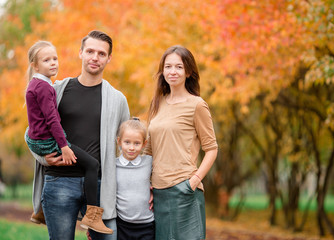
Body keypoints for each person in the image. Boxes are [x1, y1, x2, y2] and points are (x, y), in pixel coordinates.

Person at [26, 30, 130, 240]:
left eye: (101, 53)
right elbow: (32, 131)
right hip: (59, 183)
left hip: (100, 186)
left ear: (109, 58)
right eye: (90, 51)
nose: (95, 57)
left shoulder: (117, 100)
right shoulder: (57, 90)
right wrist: (43, 158)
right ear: (80, 53)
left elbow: (127, 147)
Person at [145, 45, 218, 240]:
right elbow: (149, 150)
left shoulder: (197, 105)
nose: (172, 72)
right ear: (162, 71)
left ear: (188, 71)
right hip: (158, 194)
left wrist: (193, 181)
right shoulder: (157, 103)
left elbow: (211, 148)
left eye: (178, 67)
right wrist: (147, 185)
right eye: (168, 67)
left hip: (184, 189)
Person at [115, 118, 154, 240]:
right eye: (127, 142)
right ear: (119, 141)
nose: (131, 148)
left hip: (147, 225)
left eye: (137, 143)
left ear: (144, 143)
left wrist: (153, 189)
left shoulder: (148, 162)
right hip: (122, 224)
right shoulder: (113, 165)